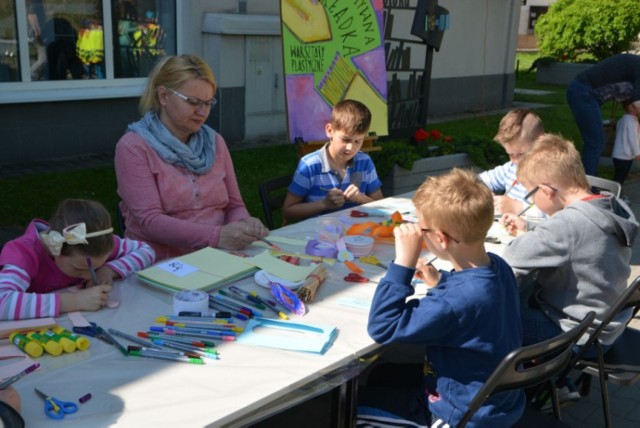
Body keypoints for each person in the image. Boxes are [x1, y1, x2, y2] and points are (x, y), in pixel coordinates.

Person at [362, 168, 524, 427]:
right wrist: (441, 281)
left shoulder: (454, 303)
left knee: (352, 408)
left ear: (440, 239)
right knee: (382, 373)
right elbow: (473, 296)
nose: (418, 233)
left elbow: (382, 326)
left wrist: (404, 262)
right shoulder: (498, 266)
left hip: (457, 415)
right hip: (493, 400)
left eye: (421, 228)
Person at [115, 54, 268, 260]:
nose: (202, 112)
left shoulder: (214, 142)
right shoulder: (134, 147)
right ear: (163, 96)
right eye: (193, 102)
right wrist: (216, 236)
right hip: (159, 262)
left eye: (208, 102)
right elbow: (150, 221)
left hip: (218, 254)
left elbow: (234, 205)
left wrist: (244, 223)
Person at [501, 134, 638, 354]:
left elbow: (509, 259)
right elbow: (580, 240)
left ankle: (521, 385)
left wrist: (530, 236)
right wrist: (531, 231)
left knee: (490, 320)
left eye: (531, 195)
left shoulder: (567, 223)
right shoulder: (611, 205)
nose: (531, 202)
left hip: (577, 335)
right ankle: (561, 385)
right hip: (606, 325)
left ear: (546, 190)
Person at [0, 199, 155, 321]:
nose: (89, 276)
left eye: (95, 268)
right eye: (79, 269)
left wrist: (109, 270)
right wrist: (74, 301)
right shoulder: (23, 254)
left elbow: (146, 250)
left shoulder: (94, 243)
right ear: (55, 249)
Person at [282, 99, 383, 221]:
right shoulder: (310, 165)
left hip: (358, 234)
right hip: (319, 234)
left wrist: (361, 198)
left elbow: (381, 205)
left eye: (358, 141)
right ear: (330, 131)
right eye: (345, 140)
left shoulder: (365, 162)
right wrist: (324, 204)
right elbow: (288, 211)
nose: (350, 148)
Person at [567, 53, 640, 176]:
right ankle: (586, 187)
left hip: (586, 94)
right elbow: (637, 104)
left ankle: (587, 183)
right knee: (595, 142)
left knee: (594, 142)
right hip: (583, 92)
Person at [479, 108, 545, 216]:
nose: (515, 161)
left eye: (521, 154)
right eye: (510, 154)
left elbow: (556, 212)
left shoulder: (553, 174)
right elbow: (479, 179)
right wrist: (482, 193)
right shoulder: (511, 168)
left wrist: (516, 207)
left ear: (541, 142)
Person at [612, 99, 640, 191]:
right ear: (631, 107)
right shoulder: (632, 122)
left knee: (618, 176)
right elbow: (633, 139)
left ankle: (615, 195)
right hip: (625, 156)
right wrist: (637, 153)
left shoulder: (622, 120)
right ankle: (615, 197)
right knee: (620, 178)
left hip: (618, 155)